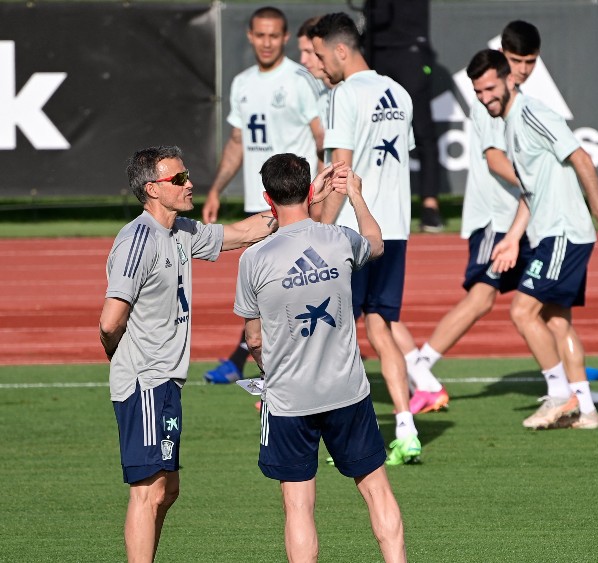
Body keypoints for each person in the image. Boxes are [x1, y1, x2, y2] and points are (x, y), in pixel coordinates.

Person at [98, 145, 289, 561]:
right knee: (149, 491)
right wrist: (124, 359)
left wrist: (299, 202)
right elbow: (110, 322)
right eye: (179, 179)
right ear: (152, 189)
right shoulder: (138, 240)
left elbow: (243, 233)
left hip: (166, 381)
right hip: (146, 381)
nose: (190, 184)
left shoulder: (181, 230)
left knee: (168, 490)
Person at [234, 153, 406, 563]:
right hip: (347, 390)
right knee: (377, 489)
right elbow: (376, 242)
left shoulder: (253, 259)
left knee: (298, 505)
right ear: (310, 190)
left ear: (267, 197)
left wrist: (268, 369)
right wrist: (356, 195)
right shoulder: (338, 239)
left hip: (289, 398)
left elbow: (254, 338)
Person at [468, 49, 598, 430]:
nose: (485, 97)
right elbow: (531, 191)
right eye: (478, 92)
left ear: (509, 80)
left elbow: (581, 158)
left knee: (522, 312)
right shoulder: (509, 123)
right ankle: (586, 410)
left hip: (563, 232)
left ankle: (560, 394)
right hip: (550, 232)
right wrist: (512, 238)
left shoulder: (532, 114)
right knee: (557, 322)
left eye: (490, 88)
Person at [402, 20, 541, 415]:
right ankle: (421, 366)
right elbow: (496, 160)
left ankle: (571, 383)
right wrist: (538, 183)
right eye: (515, 60)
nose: (522, 69)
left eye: (529, 61)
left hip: (519, 217)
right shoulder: (491, 101)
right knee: (482, 298)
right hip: (495, 218)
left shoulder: (519, 100)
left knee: (545, 301)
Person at [308, 12, 423, 464]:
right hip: (395, 229)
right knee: (380, 326)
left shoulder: (345, 94)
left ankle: (351, 438)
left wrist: (318, 230)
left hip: (354, 231)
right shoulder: (399, 92)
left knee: (336, 334)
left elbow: (342, 170)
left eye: (321, 56)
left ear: (341, 50)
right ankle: (407, 429)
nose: (320, 65)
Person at [202, 6, 326, 385]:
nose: (267, 42)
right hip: (262, 205)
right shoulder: (242, 83)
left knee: (289, 288)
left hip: (295, 205)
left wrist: (318, 199)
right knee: (265, 289)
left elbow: (323, 139)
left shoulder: (300, 80)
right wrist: (216, 190)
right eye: (261, 35)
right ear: (250, 36)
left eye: (274, 35)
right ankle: (255, 363)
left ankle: (278, 370)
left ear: (285, 37)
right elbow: (237, 142)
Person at [363, 0, 444, 232]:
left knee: (422, 129)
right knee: (372, 129)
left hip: (410, 49)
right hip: (375, 50)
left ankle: (430, 204)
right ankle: (372, 201)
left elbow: (385, 14)